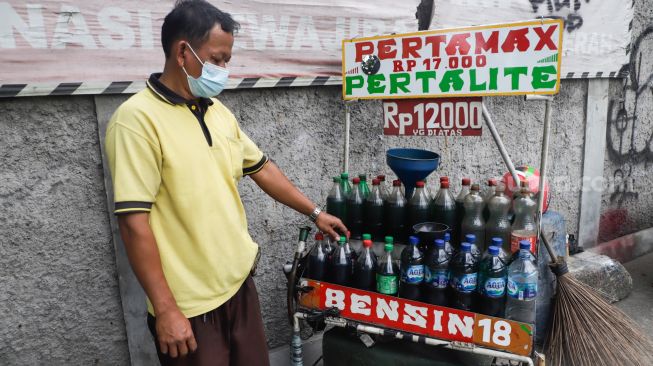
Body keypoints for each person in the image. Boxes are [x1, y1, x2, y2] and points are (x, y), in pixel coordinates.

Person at [105, 1, 347, 365]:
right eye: (217, 59)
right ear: (183, 52)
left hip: (237, 287)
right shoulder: (136, 122)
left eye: (226, 61)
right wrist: (168, 310)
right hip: (189, 307)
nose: (223, 70)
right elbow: (133, 224)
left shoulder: (218, 112)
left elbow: (262, 168)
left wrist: (314, 212)